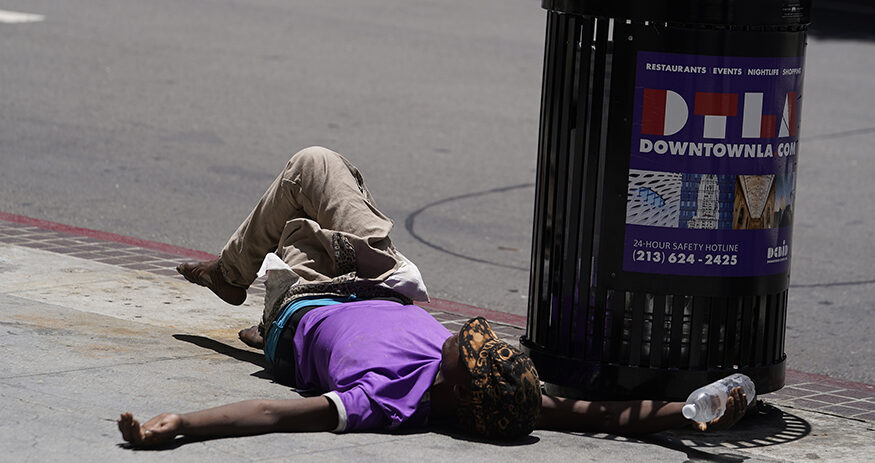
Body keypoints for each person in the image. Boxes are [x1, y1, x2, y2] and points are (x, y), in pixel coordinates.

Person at [117, 147, 751, 447]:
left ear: (458, 389)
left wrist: (179, 426)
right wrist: (693, 411)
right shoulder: (508, 393)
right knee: (325, 170)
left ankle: (243, 286)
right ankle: (235, 275)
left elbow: (271, 415)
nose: (463, 338)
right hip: (379, 277)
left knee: (307, 185)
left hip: (308, 295)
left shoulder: (386, 402)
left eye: (465, 350)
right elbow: (599, 417)